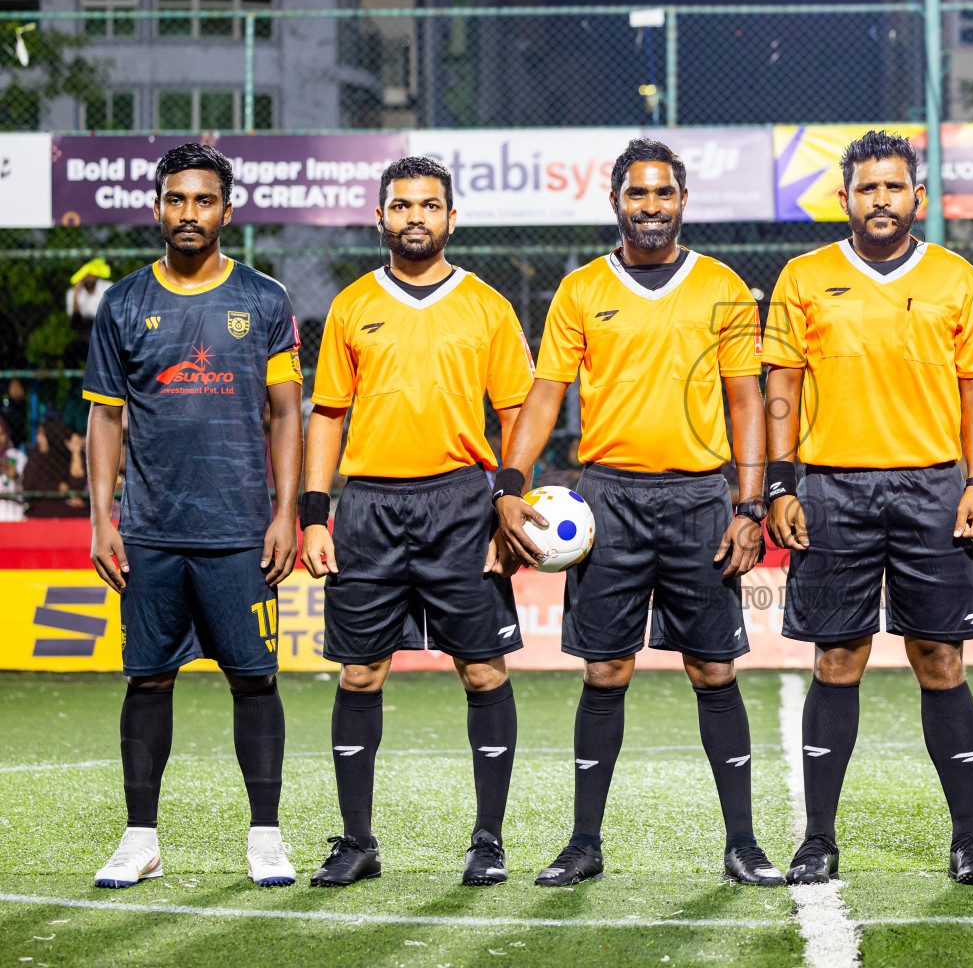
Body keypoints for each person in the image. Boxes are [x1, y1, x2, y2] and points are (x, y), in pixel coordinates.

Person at [497, 139, 780, 887]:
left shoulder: (722, 286)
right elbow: (545, 396)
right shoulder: (581, 288)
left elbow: (746, 402)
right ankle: (583, 844)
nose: (650, 207)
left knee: (713, 669)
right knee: (606, 670)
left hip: (699, 499)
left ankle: (743, 844)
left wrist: (749, 504)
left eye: (663, 194)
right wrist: (509, 483)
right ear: (616, 201)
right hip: (610, 500)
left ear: (683, 201)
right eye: (637, 194)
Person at [763, 129, 973, 887]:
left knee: (942, 659)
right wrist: (779, 483)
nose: (881, 199)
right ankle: (818, 840)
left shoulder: (956, 277)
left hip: (934, 487)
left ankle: (969, 840)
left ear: (917, 197)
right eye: (867, 188)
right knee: (838, 659)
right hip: (833, 488)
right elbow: (781, 383)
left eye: (894, 186)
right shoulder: (804, 276)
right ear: (845, 199)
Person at [301, 156, 533, 888]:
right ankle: (357, 842)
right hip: (367, 506)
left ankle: (488, 842)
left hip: (463, 505)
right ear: (380, 217)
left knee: (483, 668)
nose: (415, 218)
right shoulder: (351, 305)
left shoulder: (487, 307)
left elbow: (518, 414)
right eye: (401, 206)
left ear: (451, 218)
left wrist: (509, 501)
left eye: (429, 205)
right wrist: (314, 515)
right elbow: (327, 414)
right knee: (360, 671)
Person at [81, 143, 304, 888]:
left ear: (226, 211)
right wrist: (102, 519)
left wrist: (286, 512)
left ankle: (266, 838)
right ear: (156, 208)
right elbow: (105, 418)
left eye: (204, 200)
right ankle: (139, 840)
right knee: (148, 680)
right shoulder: (123, 304)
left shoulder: (264, 299)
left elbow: (286, 413)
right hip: (149, 531)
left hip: (240, 531)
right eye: (176, 199)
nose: (189, 213)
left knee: (254, 681)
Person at [21, 418, 88, 517]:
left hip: (70, 508)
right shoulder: (35, 459)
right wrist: (59, 488)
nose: (37, 439)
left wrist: (76, 453)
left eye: (42, 435)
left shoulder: (67, 456)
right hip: (44, 509)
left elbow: (77, 487)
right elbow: (30, 486)